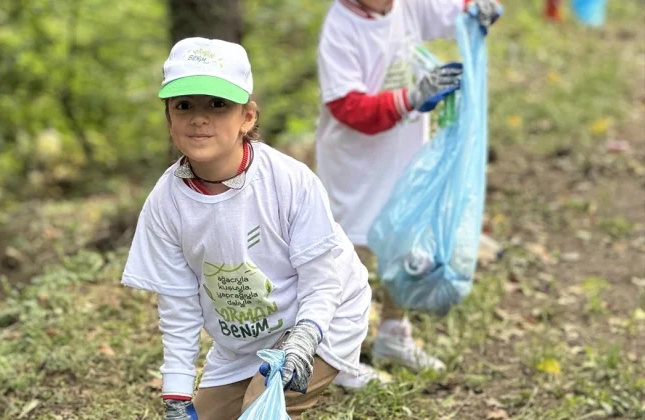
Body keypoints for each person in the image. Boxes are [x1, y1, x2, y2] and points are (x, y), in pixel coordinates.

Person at [121, 37, 372, 420]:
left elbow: (323, 282)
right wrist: (176, 395)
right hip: (243, 344)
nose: (199, 118)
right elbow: (179, 306)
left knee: (260, 411)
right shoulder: (166, 202)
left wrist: (304, 339)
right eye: (183, 105)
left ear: (248, 117)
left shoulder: (288, 181)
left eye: (218, 104)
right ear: (169, 118)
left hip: (321, 318)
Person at [314, 0, 501, 389]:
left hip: (403, 154)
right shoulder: (341, 28)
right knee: (353, 252)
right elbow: (347, 105)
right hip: (357, 162)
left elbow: (451, 13)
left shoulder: (405, 6)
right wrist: (411, 98)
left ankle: (394, 333)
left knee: (402, 240)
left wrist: (476, 9)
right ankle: (338, 353)